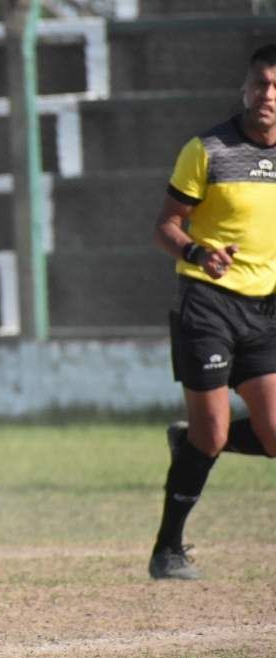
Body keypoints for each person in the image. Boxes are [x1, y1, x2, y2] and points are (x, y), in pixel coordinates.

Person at [149, 43, 276, 580]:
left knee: (270, 436)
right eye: (259, 84)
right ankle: (168, 550)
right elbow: (165, 226)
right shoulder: (207, 149)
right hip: (207, 303)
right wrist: (199, 252)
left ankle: (195, 441)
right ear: (244, 88)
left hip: (265, 309)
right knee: (214, 433)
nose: (267, 95)